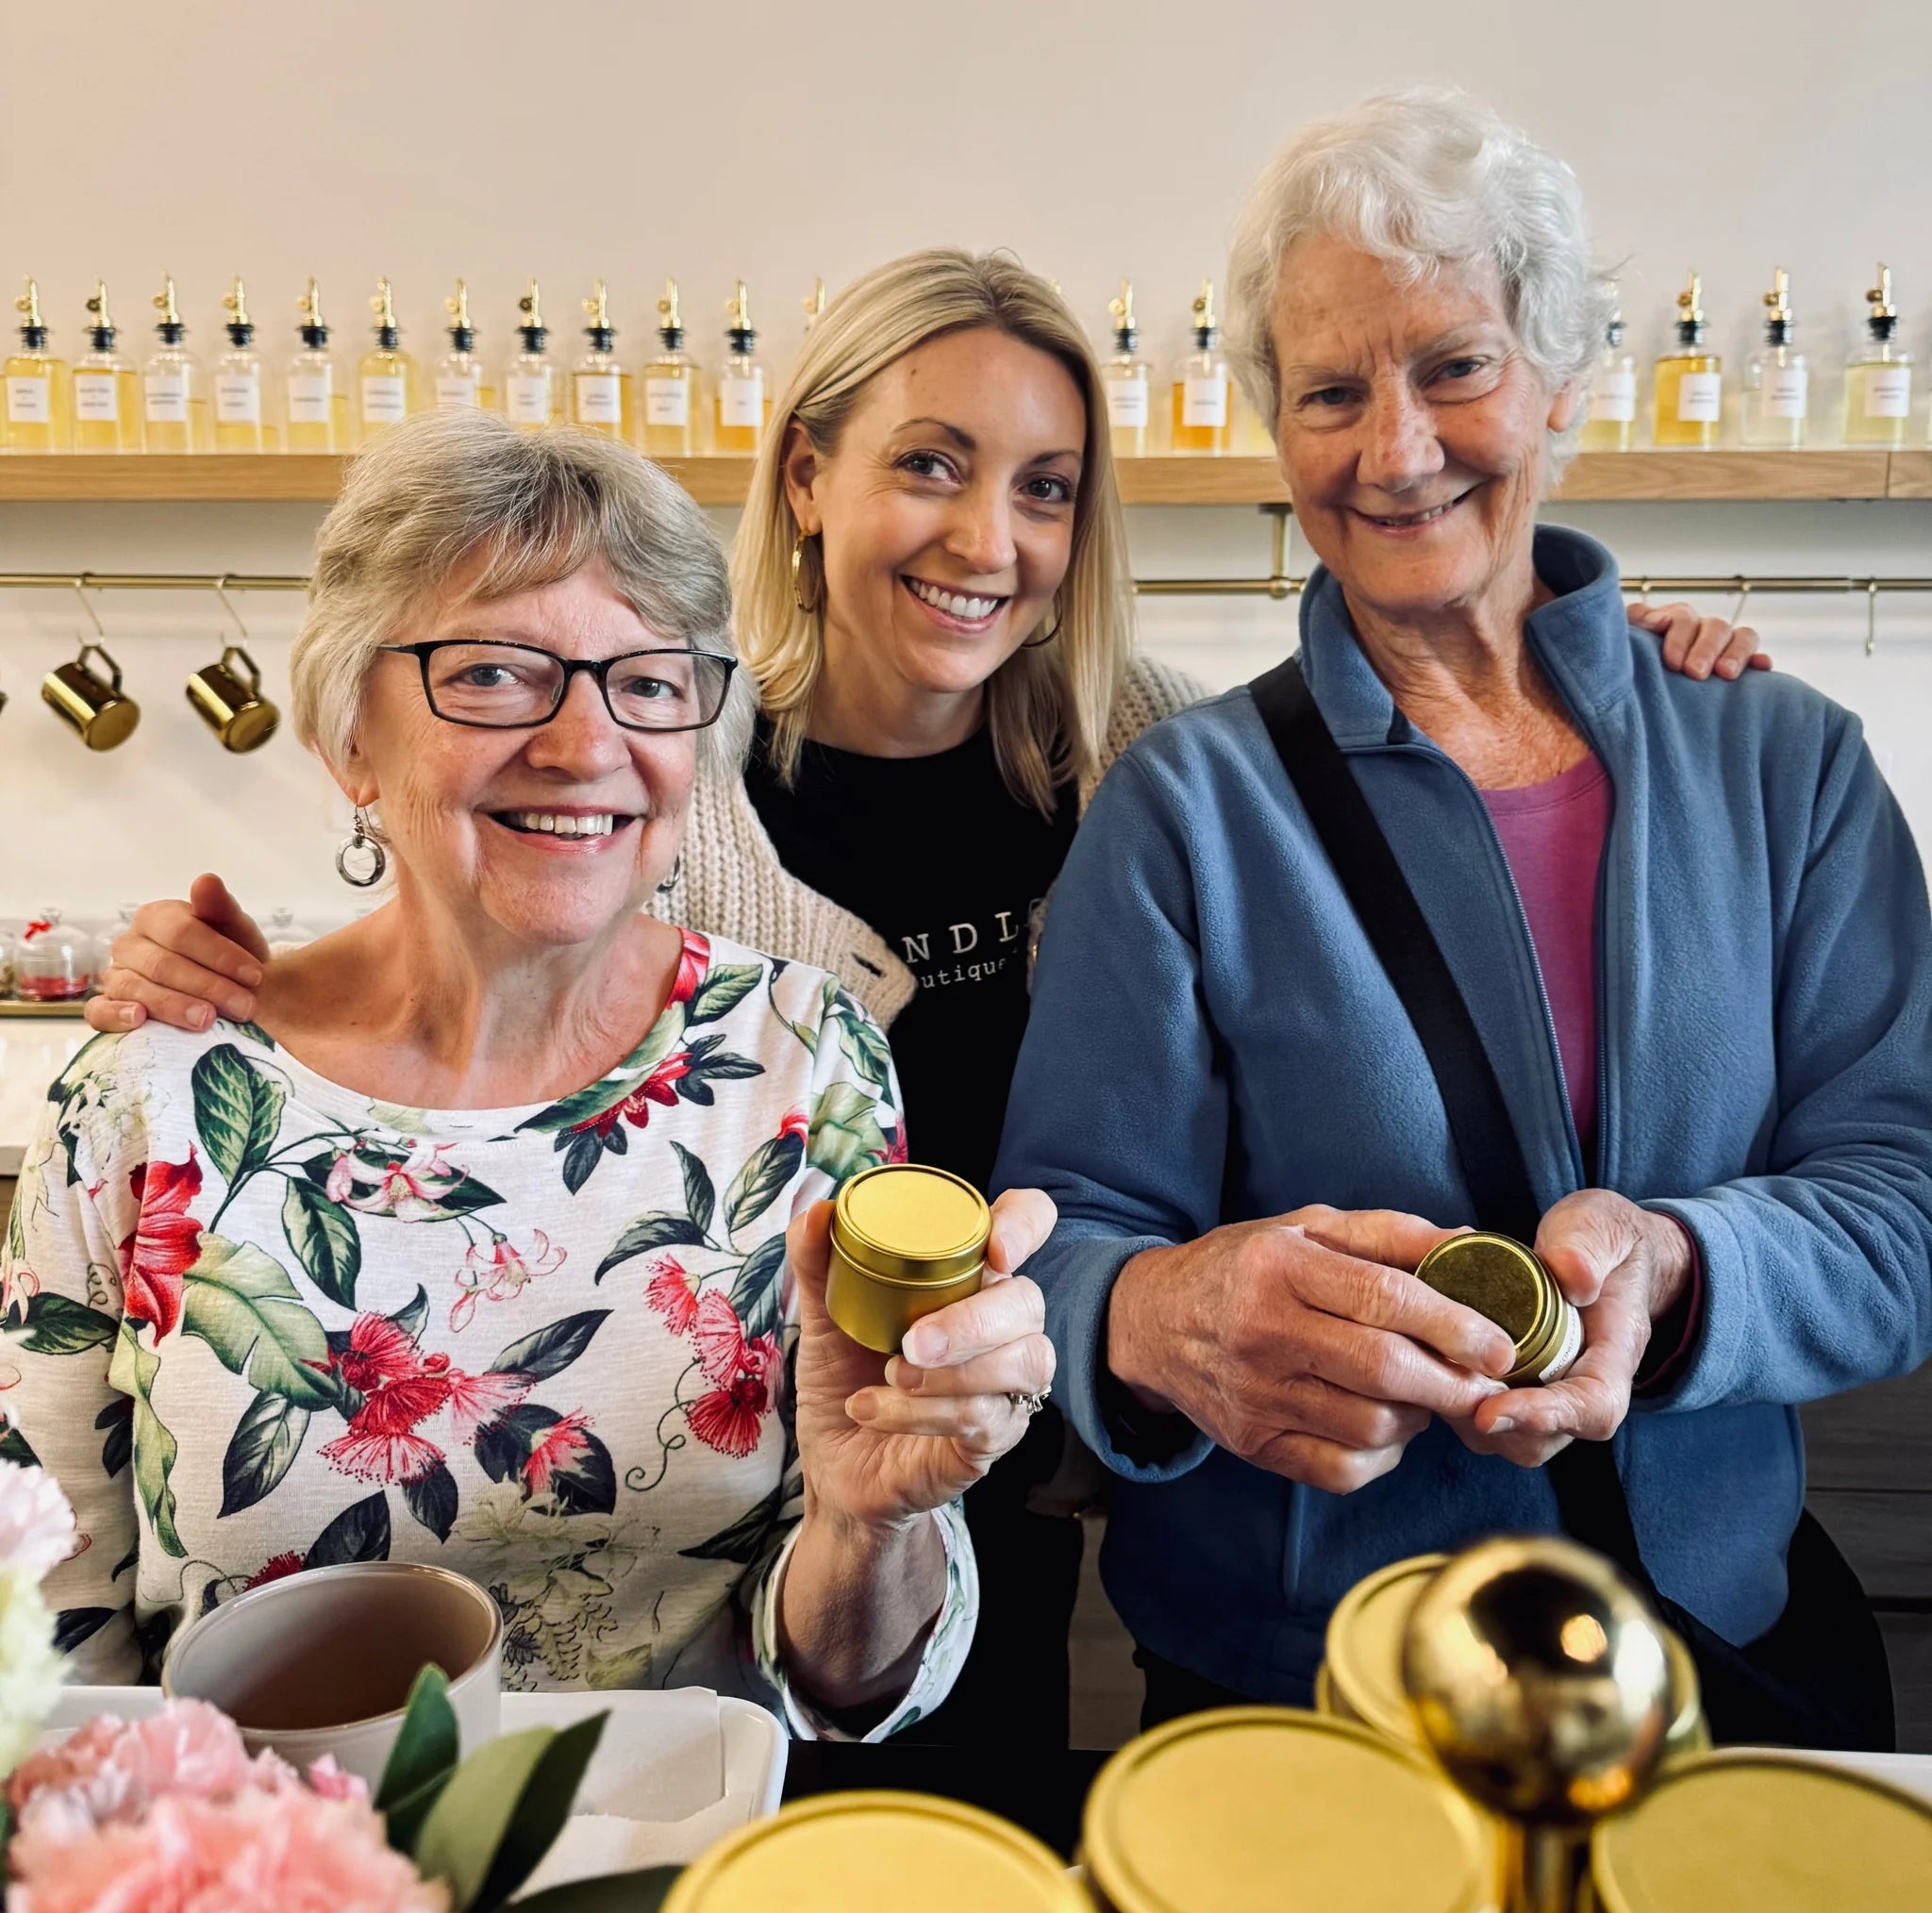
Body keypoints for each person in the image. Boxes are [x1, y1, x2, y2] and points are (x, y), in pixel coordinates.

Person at [82, 254, 1761, 1748]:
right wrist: (221, 1001)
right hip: (746, 1461)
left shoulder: (1161, 763)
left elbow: (1421, 746)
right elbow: (469, 952)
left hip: (1011, 1482)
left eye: (1047, 488)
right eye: (931, 466)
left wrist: (1600, 662)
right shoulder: (662, 767)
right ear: (808, 477)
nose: (987, 540)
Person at [993, 90, 1932, 1738]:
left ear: (1562, 377)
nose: (1396, 449)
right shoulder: (1187, 808)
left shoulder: (1786, 766)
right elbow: (1064, 1229)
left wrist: (1682, 1265)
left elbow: (1905, 1204)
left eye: (1454, 367)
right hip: (1295, 1700)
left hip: (1696, 1653)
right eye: (1330, 393)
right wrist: (1158, 1312)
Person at [1, 412, 1058, 1742]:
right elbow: (40, 1627)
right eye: (496, 674)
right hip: (251, 1841)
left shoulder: (802, 1054)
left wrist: (868, 1525)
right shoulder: (152, 1090)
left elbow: (847, 1683)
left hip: (673, 1841)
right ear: (350, 737)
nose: (584, 744)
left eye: (649, 683)